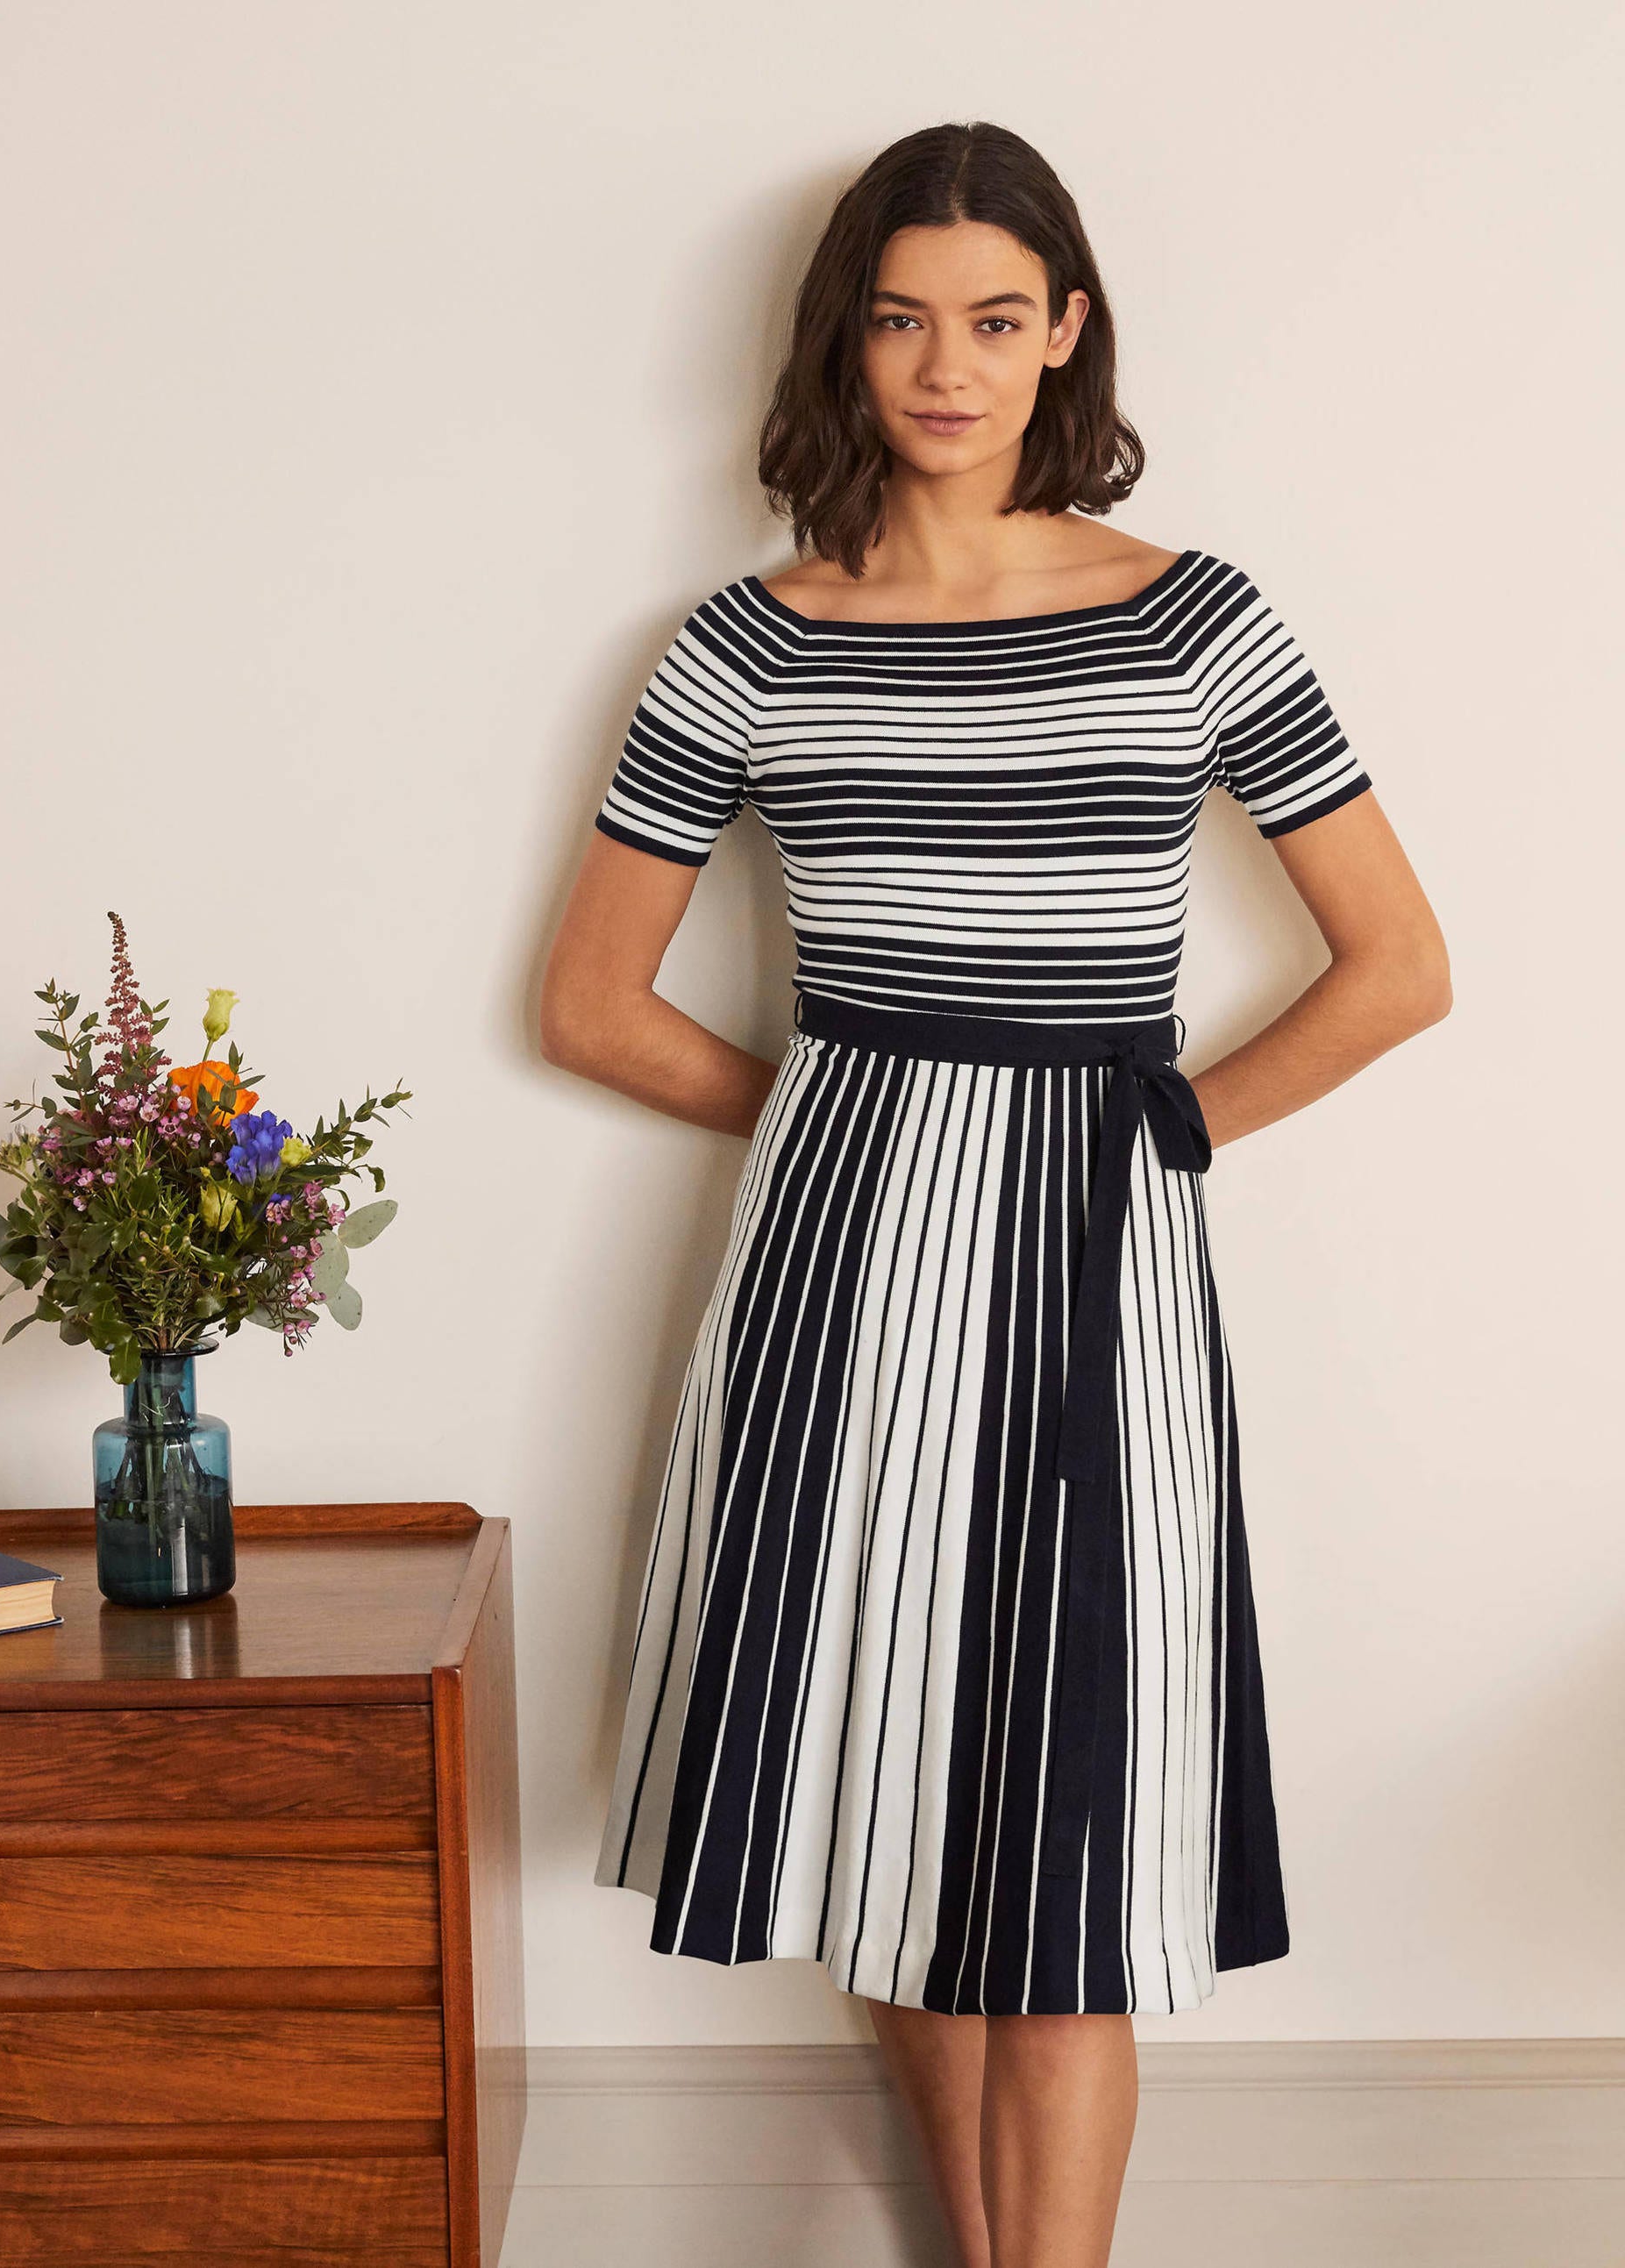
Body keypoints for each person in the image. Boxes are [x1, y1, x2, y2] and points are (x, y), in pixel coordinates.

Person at [541, 118, 1450, 2268]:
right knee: (881, 1816)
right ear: (842, 343)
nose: (944, 366)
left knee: (1066, 1868)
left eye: (991, 318)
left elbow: (1397, 966)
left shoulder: (1192, 619)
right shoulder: (746, 642)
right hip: (835, 1269)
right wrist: (848, 1115)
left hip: (1095, 1271)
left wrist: (1172, 1130)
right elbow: (590, 1004)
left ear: (1063, 336)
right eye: (898, 319)